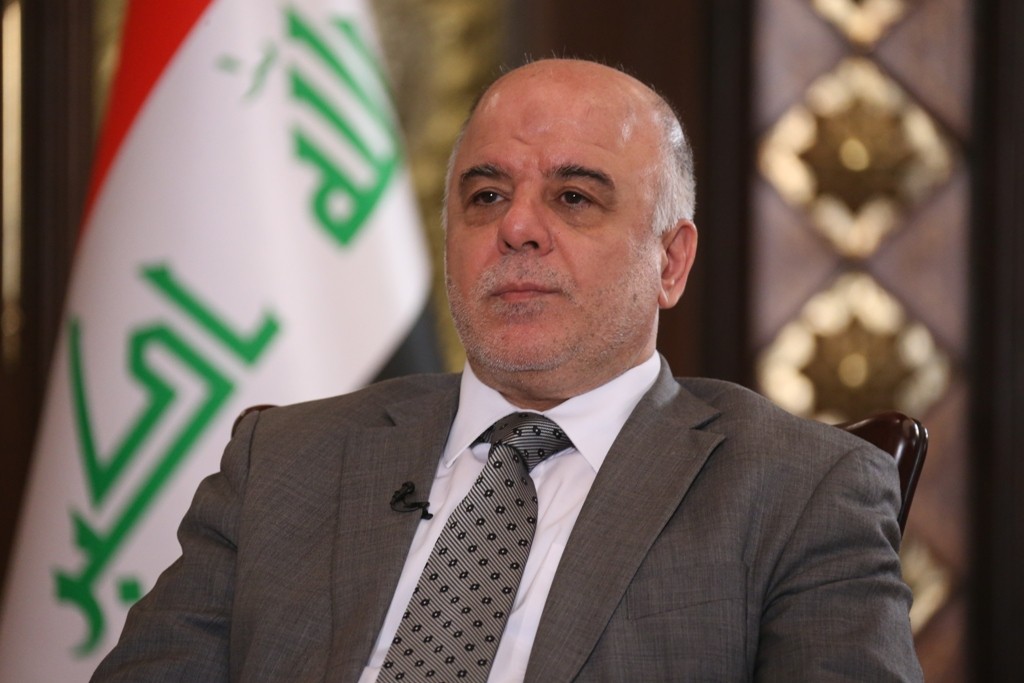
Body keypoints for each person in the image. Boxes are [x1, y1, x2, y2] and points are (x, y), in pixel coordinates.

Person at [93, 59, 922, 682]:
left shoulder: (798, 490)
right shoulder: (281, 460)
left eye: (574, 197)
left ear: (670, 261)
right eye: (486, 195)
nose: (517, 227)